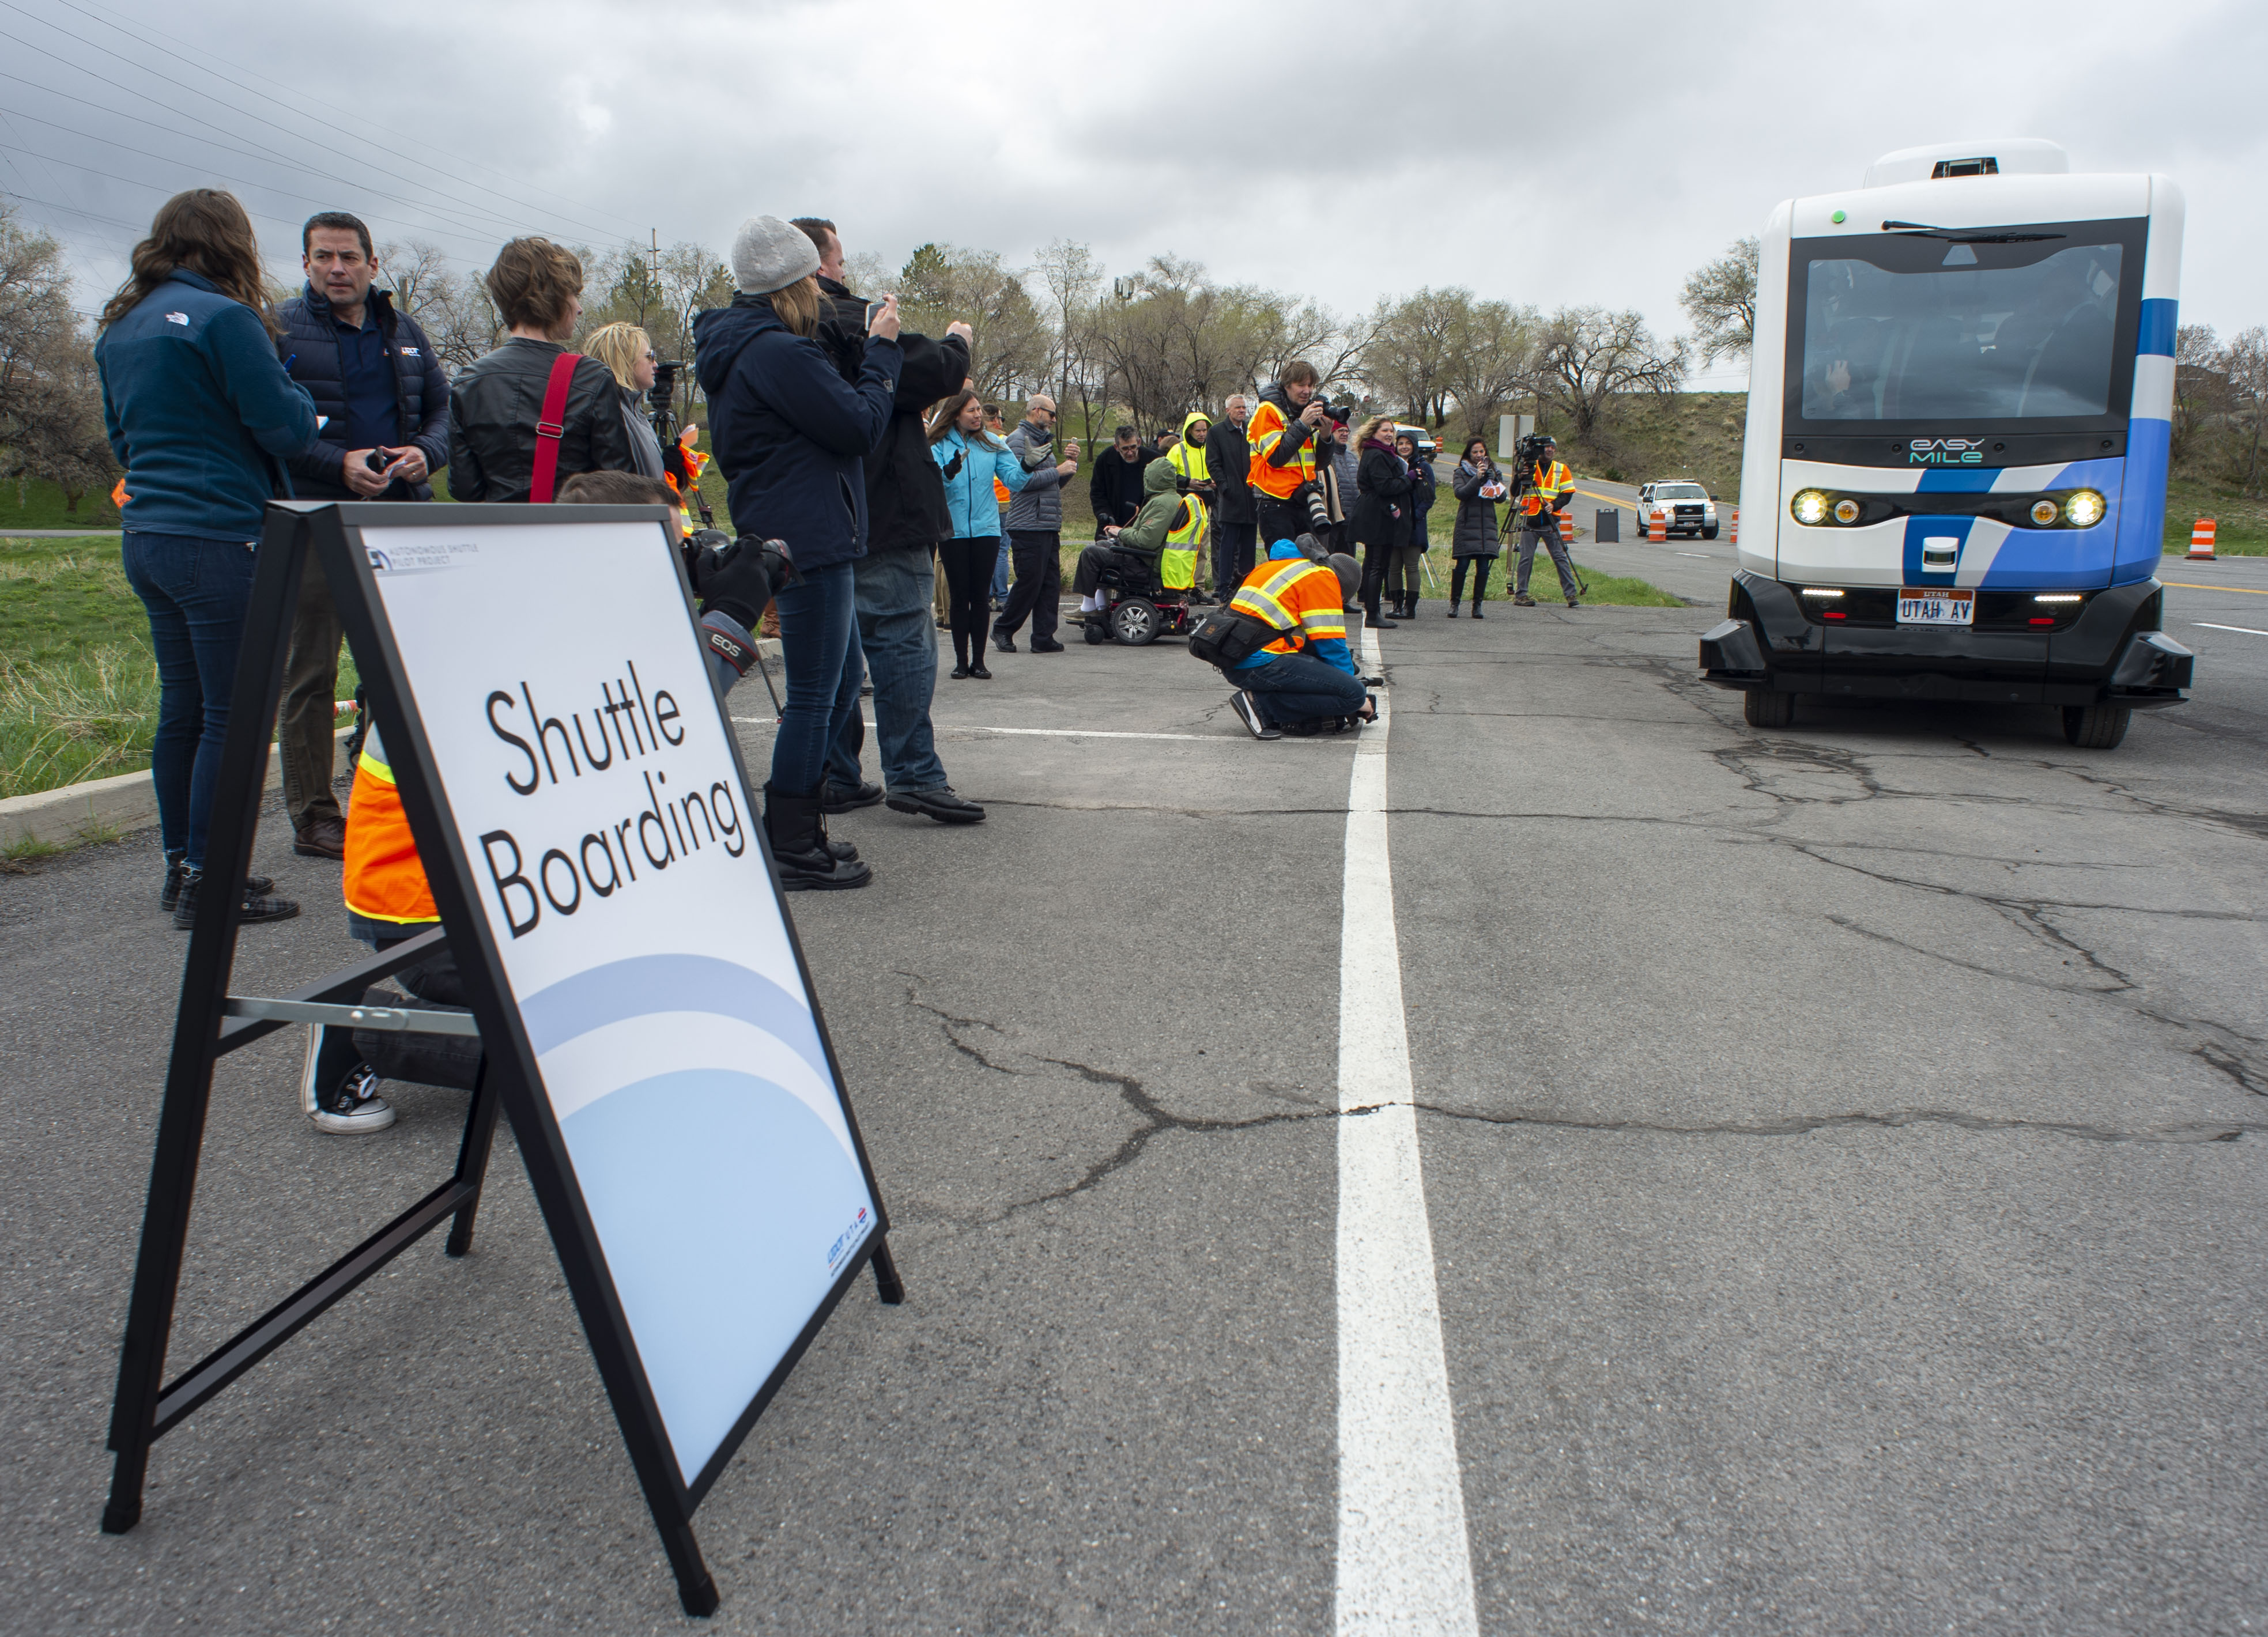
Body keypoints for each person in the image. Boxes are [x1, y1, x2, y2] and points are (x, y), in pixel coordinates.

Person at [310, 468, 761, 1133]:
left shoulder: (554, 605)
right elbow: (654, 721)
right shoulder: (516, 639)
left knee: (698, 1009)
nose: (687, 563)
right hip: (432, 916)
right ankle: (360, 1030)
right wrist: (730, 619)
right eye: (669, 548)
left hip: (525, 887)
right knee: (624, 1055)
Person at [96, 188, 318, 930]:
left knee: (183, 709)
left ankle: (181, 866)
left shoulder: (120, 327)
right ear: (233, 244)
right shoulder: (227, 321)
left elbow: (120, 438)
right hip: (220, 532)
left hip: (149, 533)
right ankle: (213, 879)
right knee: (235, 715)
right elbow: (285, 427)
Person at [693, 214, 900, 889]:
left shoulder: (752, 346)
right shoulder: (777, 352)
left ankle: (800, 828)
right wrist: (882, 354)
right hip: (806, 535)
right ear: (794, 282)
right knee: (815, 694)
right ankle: (789, 845)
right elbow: (859, 425)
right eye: (814, 274)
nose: (823, 285)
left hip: (798, 527)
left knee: (835, 684)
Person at [788, 216, 983, 826]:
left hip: (817, 509)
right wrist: (956, 341)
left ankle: (835, 772)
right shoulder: (850, 322)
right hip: (882, 503)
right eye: (840, 261)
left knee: (838, 651)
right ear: (820, 265)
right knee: (899, 637)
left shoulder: (774, 333)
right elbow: (936, 374)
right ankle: (914, 773)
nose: (846, 271)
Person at [273, 210, 450, 862]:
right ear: (306, 265)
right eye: (323, 257)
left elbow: (442, 411)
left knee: (395, 671)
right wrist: (333, 462)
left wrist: (423, 455)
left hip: (397, 519)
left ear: (374, 265)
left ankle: (382, 798)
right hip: (316, 518)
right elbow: (272, 426)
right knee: (311, 673)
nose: (336, 269)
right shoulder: (280, 329)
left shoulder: (403, 330)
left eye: (348, 257)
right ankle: (315, 814)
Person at [447, 238, 634, 501]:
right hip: (571, 535)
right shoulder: (590, 376)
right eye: (574, 295)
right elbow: (619, 485)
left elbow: (464, 489)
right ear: (554, 297)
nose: (579, 308)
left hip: (498, 536)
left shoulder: (468, 380)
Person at [931, 389, 1071, 677]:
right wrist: (947, 472)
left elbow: (1015, 481)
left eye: (980, 409)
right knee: (960, 597)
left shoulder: (993, 443)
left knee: (981, 597)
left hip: (987, 529)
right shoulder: (938, 444)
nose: (978, 415)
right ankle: (960, 661)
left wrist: (1028, 464)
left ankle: (979, 662)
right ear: (956, 413)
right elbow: (929, 485)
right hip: (953, 530)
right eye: (971, 410)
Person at [1221, 540, 1372, 739]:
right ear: (1341, 588)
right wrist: (1356, 694)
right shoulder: (1323, 579)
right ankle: (1260, 704)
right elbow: (1331, 645)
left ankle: (1263, 700)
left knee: (1344, 673)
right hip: (1258, 662)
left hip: (1236, 658)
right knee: (1353, 694)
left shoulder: (1289, 566)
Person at [996, 394, 1078, 653]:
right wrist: (1059, 471)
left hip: (1047, 523)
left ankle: (1043, 637)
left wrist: (1069, 468)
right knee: (1030, 581)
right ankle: (1003, 629)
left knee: (1050, 582)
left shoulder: (1043, 442)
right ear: (1037, 411)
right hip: (1027, 523)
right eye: (1052, 414)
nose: (1054, 420)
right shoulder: (1017, 440)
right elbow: (1020, 483)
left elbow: (1051, 484)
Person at [1071, 455, 1186, 622]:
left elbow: (1146, 540)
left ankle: (1088, 609)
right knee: (1103, 544)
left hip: (1146, 562)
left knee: (1091, 553)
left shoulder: (1162, 503)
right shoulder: (1170, 499)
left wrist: (1120, 533)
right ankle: (1101, 607)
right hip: (1150, 558)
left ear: (1153, 478)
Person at [1246, 362, 1329, 548]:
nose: (1307, 391)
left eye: (1310, 385)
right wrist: (1302, 424)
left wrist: (1326, 436)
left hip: (1304, 498)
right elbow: (1276, 457)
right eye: (1301, 385)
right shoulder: (1267, 411)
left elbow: (1320, 464)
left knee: (1308, 565)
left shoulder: (1305, 413)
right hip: (1275, 501)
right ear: (1286, 385)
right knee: (1284, 565)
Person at [583, 321, 670, 482]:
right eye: (649, 356)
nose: (656, 365)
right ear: (625, 360)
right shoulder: (611, 414)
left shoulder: (635, 409)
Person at [1349, 414, 1411, 630]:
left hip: (1376, 511)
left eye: (1391, 431)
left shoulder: (1381, 453)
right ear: (1374, 432)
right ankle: (1373, 614)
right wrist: (1409, 478)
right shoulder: (1376, 454)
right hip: (1375, 514)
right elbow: (1385, 487)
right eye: (1385, 430)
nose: (1389, 434)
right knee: (1377, 564)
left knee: (1374, 563)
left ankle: (1371, 606)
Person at [1512, 434, 1580, 608]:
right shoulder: (1529, 467)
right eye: (1546, 447)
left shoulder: (1561, 469)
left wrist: (1554, 505)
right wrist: (1521, 476)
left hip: (1550, 520)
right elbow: (1514, 491)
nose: (1550, 450)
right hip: (1529, 519)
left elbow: (1568, 494)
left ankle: (1571, 595)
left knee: (1559, 557)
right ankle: (1521, 595)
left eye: (1553, 447)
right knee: (1526, 558)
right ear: (1540, 449)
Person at [1448, 438, 1507, 617]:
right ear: (1469, 454)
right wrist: (1477, 478)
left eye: (1481, 452)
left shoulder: (1494, 471)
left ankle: (1477, 605)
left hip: (1487, 525)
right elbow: (1461, 493)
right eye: (1475, 452)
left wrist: (1494, 481)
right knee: (1462, 566)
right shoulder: (1461, 472)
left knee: (1483, 568)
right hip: (1467, 524)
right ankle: (1455, 604)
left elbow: (1501, 498)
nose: (1479, 455)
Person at [1165, 410, 1218, 602]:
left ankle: (1198, 587)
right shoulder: (1178, 450)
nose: (1202, 434)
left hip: (1205, 505)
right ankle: (1181, 587)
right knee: (1181, 548)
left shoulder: (1212, 448)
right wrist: (1188, 482)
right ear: (1190, 431)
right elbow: (1166, 474)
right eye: (1198, 431)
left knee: (1202, 548)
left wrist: (1215, 482)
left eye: (1205, 430)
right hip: (1185, 505)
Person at [1209, 394, 1256, 604]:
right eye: (1238, 408)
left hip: (1252, 498)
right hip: (1231, 499)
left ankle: (1247, 587)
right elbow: (1213, 463)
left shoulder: (1251, 432)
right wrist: (1225, 487)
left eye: (1244, 408)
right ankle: (1224, 587)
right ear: (1228, 410)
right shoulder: (1217, 432)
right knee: (1227, 546)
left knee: (1249, 547)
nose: (1242, 411)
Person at [1393, 430, 1436, 619]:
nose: (1404, 447)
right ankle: (1396, 605)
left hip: (1414, 525)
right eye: (1400, 443)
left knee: (1411, 566)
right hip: (1394, 524)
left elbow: (1428, 499)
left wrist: (1413, 518)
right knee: (1393, 566)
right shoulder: (1393, 465)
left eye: (1407, 443)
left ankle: (1410, 608)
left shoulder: (1424, 467)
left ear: (1414, 445)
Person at [1087, 425, 1153, 534]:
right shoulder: (1105, 460)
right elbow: (1097, 493)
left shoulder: (1153, 460)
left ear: (1139, 442)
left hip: (1143, 527)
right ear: (1116, 447)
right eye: (1125, 449)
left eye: (1133, 447)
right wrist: (1104, 514)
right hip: (1112, 523)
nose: (1130, 452)